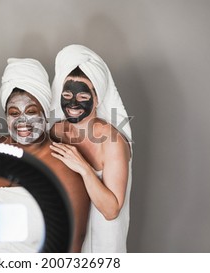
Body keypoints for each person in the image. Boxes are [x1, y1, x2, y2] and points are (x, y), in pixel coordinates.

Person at [0, 58, 89, 252]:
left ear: (45, 110)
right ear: (6, 117)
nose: (22, 121)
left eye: (31, 111)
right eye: (14, 112)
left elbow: (70, 248)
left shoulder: (64, 168)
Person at [49, 44, 133, 253]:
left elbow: (111, 210)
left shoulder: (112, 142)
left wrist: (83, 168)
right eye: (67, 96)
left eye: (83, 97)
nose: (73, 103)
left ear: (97, 99)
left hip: (104, 246)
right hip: (69, 242)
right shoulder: (57, 132)